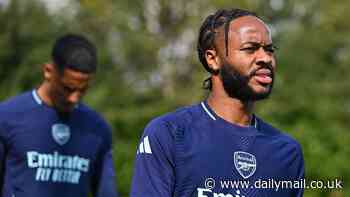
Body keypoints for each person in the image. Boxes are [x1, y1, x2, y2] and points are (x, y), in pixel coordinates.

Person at [130, 8, 304, 197]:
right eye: (250, 49)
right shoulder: (169, 134)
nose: (265, 58)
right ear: (213, 59)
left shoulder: (286, 151)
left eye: (269, 50)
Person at [0, 34, 119, 197]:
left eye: (82, 90)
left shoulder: (97, 128)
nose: (74, 98)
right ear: (48, 71)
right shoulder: (7, 117)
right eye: (67, 88)